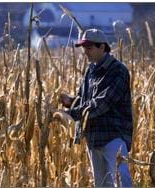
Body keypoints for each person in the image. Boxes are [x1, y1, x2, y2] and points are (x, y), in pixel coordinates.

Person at [60, 28, 133, 187]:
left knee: (121, 182)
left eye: (89, 47)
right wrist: (70, 102)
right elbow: (85, 100)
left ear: (102, 47)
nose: (85, 51)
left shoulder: (118, 71)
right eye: (84, 48)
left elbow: (103, 103)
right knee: (101, 185)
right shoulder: (91, 70)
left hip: (113, 136)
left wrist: (70, 114)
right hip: (93, 138)